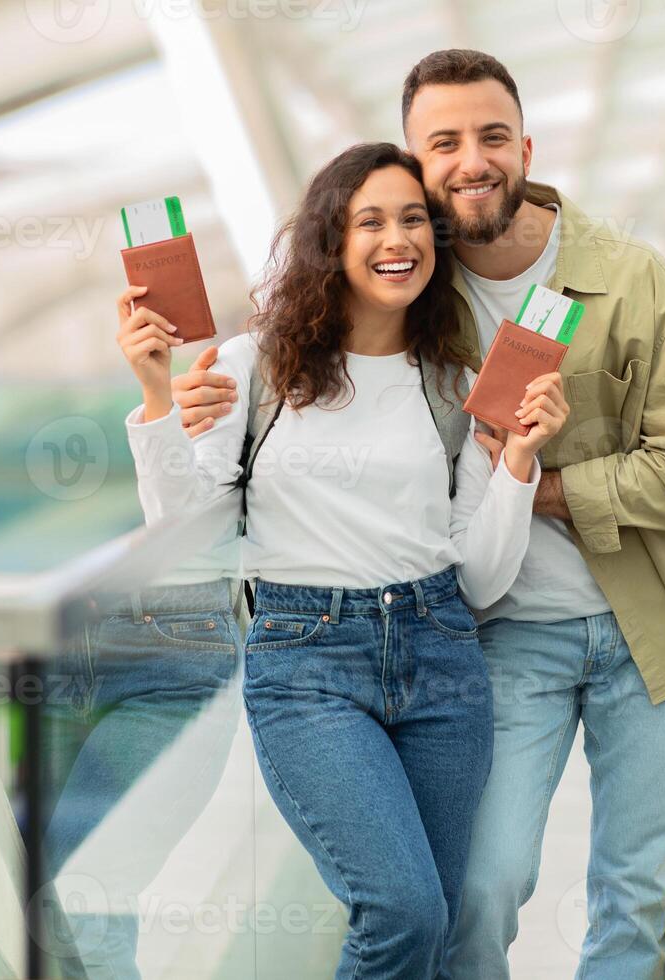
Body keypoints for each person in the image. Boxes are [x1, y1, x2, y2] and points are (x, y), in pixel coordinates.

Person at [169, 52, 665, 980]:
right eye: (445, 143)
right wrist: (180, 402)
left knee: (633, 899)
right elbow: (314, 392)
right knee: (478, 891)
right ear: (416, 162)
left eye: (492, 137)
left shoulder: (632, 280)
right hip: (495, 635)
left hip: (651, 629)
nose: (473, 160)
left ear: (525, 147)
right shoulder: (417, 296)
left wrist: (537, 481)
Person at [116, 141, 569, 979]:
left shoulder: (451, 379)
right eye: (371, 221)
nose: (397, 239)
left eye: (412, 221)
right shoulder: (254, 368)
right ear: (332, 238)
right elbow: (181, 531)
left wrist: (515, 463)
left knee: (437, 925)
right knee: (401, 912)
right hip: (307, 664)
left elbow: (479, 577)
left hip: (440, 657)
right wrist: (155, 399)